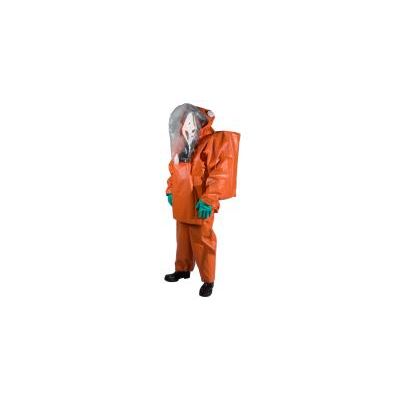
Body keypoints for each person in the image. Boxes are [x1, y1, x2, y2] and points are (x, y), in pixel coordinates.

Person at [165, 103, 240, 297]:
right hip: (182, 200)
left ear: (200, 123)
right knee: (182, 239)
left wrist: (209, 199)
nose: (187, 127)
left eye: (191, 123)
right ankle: (182, 269)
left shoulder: (211, 143)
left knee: (202, 241)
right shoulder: (183, 146)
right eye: (184, 123)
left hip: (200, 202)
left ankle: (208, 280)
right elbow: (175, 170)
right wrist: (171, 190)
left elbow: (220, 174)